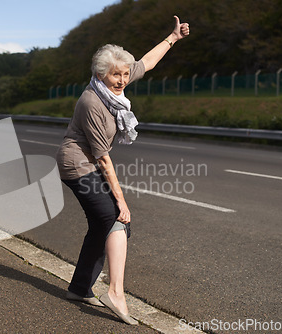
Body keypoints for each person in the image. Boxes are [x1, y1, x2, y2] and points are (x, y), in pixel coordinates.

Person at [56, 16, 189, 325]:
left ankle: (79, 288)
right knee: (114, 216)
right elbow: (102, 159)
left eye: (125, 74)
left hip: (88, 161)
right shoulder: (93, 103)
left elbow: (147, 63)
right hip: (77, 163)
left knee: (102, 224)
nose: (121, 80)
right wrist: (122, 202)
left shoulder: (115, 92)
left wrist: (173, 38)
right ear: (101, 74)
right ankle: (115, 291)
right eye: (115, 75)